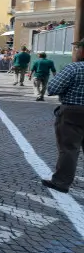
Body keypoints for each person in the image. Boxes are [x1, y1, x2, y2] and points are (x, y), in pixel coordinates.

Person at [42, 40, 84, 193]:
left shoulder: (74, 68)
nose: (77, 50)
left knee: (69, 149)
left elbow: (52, 88)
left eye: (78, 48)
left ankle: (61, 182)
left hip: (73, 113)